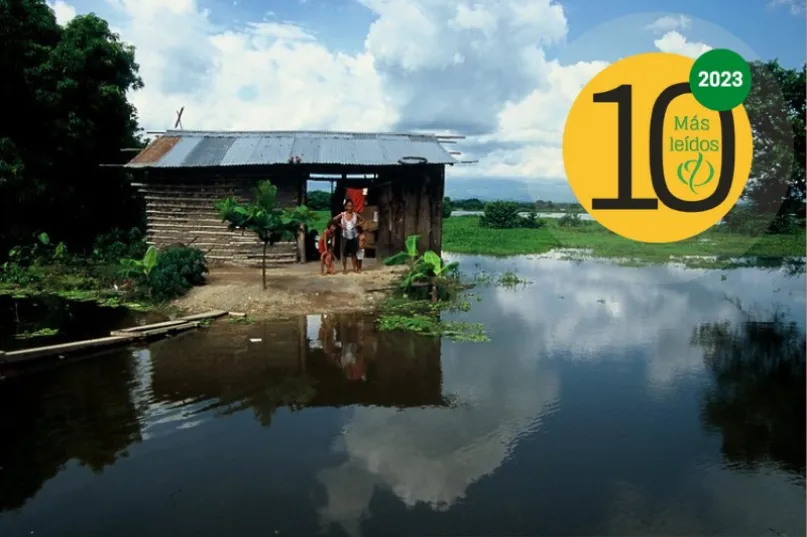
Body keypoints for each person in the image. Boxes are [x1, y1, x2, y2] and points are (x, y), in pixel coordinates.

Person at [331, 200, 364, 274]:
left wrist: (357, 225)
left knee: (353, 253)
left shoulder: (355, 215)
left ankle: (354, 268)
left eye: (351, 206)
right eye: (348, 206)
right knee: (344, 253)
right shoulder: (342, 214)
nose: (350, 207)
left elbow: (363, 220)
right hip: (344, 236)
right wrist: (340, 225)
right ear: (345, 207)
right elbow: (334, 219)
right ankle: (344, 269)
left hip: (354, 236)